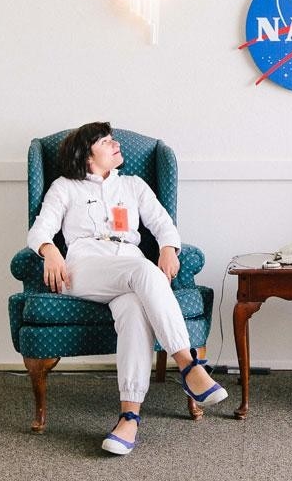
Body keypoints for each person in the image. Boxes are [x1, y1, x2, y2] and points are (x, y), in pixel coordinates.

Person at [27, 122, 226, 455]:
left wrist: (167, 248)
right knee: (143, 271)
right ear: (87, 154)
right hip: (83, 267)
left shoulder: (134, 186)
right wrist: (49, 251)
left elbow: (163, 224)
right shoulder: (65, 187)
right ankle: (189, 366)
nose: (116, 144)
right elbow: (40, 230)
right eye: (106, 141)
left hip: (129, 268)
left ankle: (129, 419)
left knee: (135, 308)